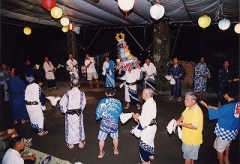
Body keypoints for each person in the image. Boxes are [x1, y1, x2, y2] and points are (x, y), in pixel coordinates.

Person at [200, 90, 240, 164]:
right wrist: (210, 106)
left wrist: (206, 106)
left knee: (219, 150)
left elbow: (216, 114)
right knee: (227, 144)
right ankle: (226, 159)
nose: (223, 96)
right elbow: (221, 109)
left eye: (224, 94)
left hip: (225, 131)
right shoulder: (237, 104)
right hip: (233, 130)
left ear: (227, 95)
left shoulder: (228, 107)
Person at [176, 92, 203, 164]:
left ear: (193, 101)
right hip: (189, 139)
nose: (184, 101)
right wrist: (178, 121)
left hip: (191, 140)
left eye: (187, 100)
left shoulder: (196, 111)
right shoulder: (189, 107)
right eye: (185, 99)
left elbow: (194, 126)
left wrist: (181, 124)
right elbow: (183, 115)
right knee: (191, 158)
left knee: (187, 159)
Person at [59, 78, 86, 149]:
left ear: (71, 85)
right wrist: (80, 110)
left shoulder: (67, 93)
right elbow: (84, 104)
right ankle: (80, 142)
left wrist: (65, 111)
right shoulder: (82, 93)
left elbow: (61, 104)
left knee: (70, 127)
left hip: (69, 114)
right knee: (79, 127)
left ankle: (71, 143)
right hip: (78, 114)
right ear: (79, 85)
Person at [95, 87, 122, 159]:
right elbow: (120, 112)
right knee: (115, 137)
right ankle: (115, 150)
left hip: (104, 123)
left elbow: (98, 113)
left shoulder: (102, 101)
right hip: (114, 123)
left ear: (106, 93)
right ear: (114, 93)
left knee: (101, 139)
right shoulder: (118, 102)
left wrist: (98, 117)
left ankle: (101, 153)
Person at [132, 88, 157, 164]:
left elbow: (146, 120)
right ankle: (150, 154)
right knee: (150, 141)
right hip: (153, 126)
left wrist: (137, 117)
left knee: (144, 144)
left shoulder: (147, 105)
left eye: (143, 93)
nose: (141, 94)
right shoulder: (152, 101)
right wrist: (140, 116)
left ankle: (146, 161)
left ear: (146, 95)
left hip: (147, 127)